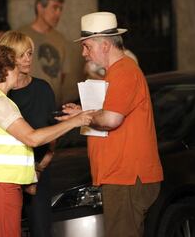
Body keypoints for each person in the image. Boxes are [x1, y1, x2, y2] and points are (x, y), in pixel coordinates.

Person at [0, 45, 93, 237]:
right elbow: (32, 138)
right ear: (5, 70)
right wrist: (76, 121)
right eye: (16, 65)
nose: (20, 69)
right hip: (0, 184)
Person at [63, 12, 163, 237]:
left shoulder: (125, 72)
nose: (83, 53)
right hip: (121, 175)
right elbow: (110, 113)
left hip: (126, 177)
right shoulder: (117, 72)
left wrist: (84, 117)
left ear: (105, 45)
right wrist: (81, 112)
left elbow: (110, 119)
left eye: (87, 46)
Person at [0, 31, 55, 237]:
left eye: (30, 53)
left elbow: (51, 137)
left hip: (38, 175)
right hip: (5, 178)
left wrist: (39, 170)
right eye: (22, 55)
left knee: (40, 230)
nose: (28, 59)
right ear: (8, 57)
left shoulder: (42, 89)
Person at [18, 0, 69, 106]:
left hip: (53, 103)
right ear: (40, 8)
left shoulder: (60, 38)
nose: (58, 14)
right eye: (55, 8)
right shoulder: (21, 35)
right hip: (26, 103)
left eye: (61, 9)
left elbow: (62, 74)